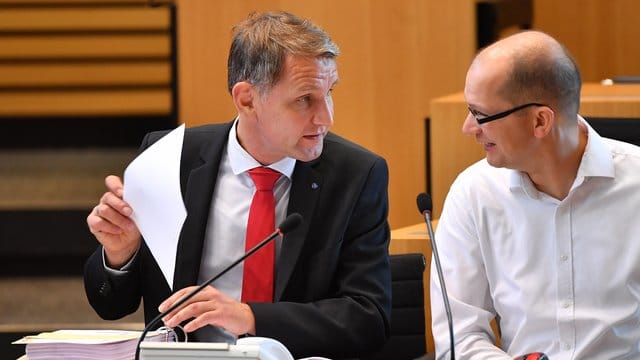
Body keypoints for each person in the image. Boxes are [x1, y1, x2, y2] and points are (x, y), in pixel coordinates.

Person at [84, 11, 391, 359]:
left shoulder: (356, 174)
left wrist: (251, 317)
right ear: (247, 99)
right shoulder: (169, 160)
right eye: (304, 100)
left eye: (329, 93)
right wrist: (119, 255)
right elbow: (111, 305)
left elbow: (369, 320)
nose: (326, 118)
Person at [431, 30, 640, 359]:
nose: (468, 127)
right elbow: (461, 337)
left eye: (481, 114)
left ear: (540, 121)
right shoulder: (473, 194)